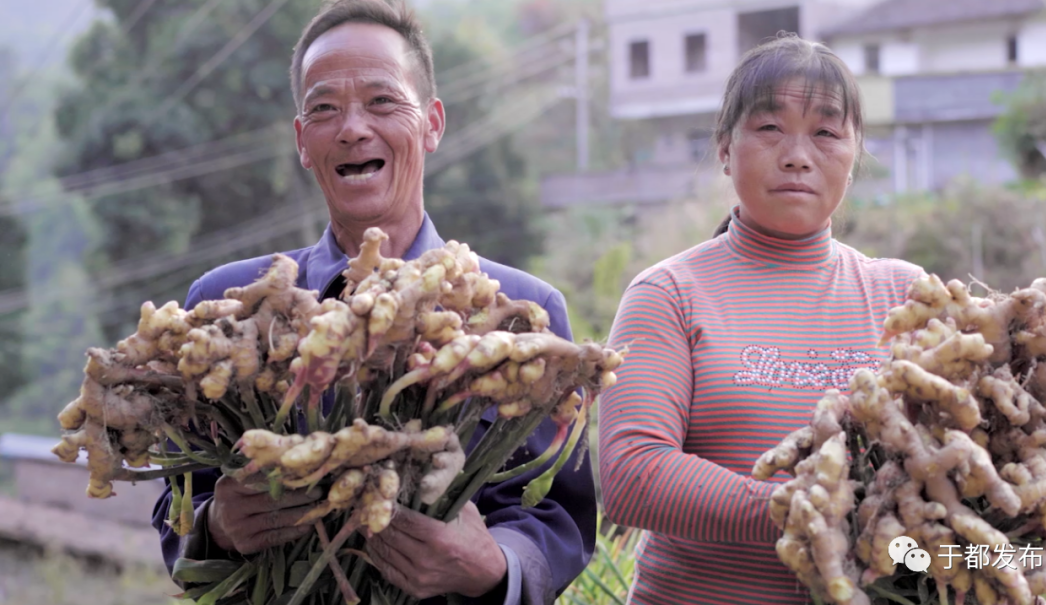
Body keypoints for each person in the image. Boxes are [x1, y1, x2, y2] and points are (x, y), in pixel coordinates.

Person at [150, 2, 596, 604]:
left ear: (432, 123)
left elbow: (559, 520)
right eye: (325, 108)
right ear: (303, 141)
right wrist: (216, 527)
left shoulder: (522, 312)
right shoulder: (223, 308)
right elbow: (180, 500)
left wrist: (493, 565)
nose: (353, 128)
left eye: (383, 101)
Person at [596, 34, 925, 604]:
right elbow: (633, 473)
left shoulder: (905, 296)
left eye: (825, 132)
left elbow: (966, 482)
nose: (798, 154)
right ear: (725, 148)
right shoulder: (670, 293)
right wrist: (812, 511)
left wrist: (1004, 561)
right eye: (770, 128)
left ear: (854, 154)